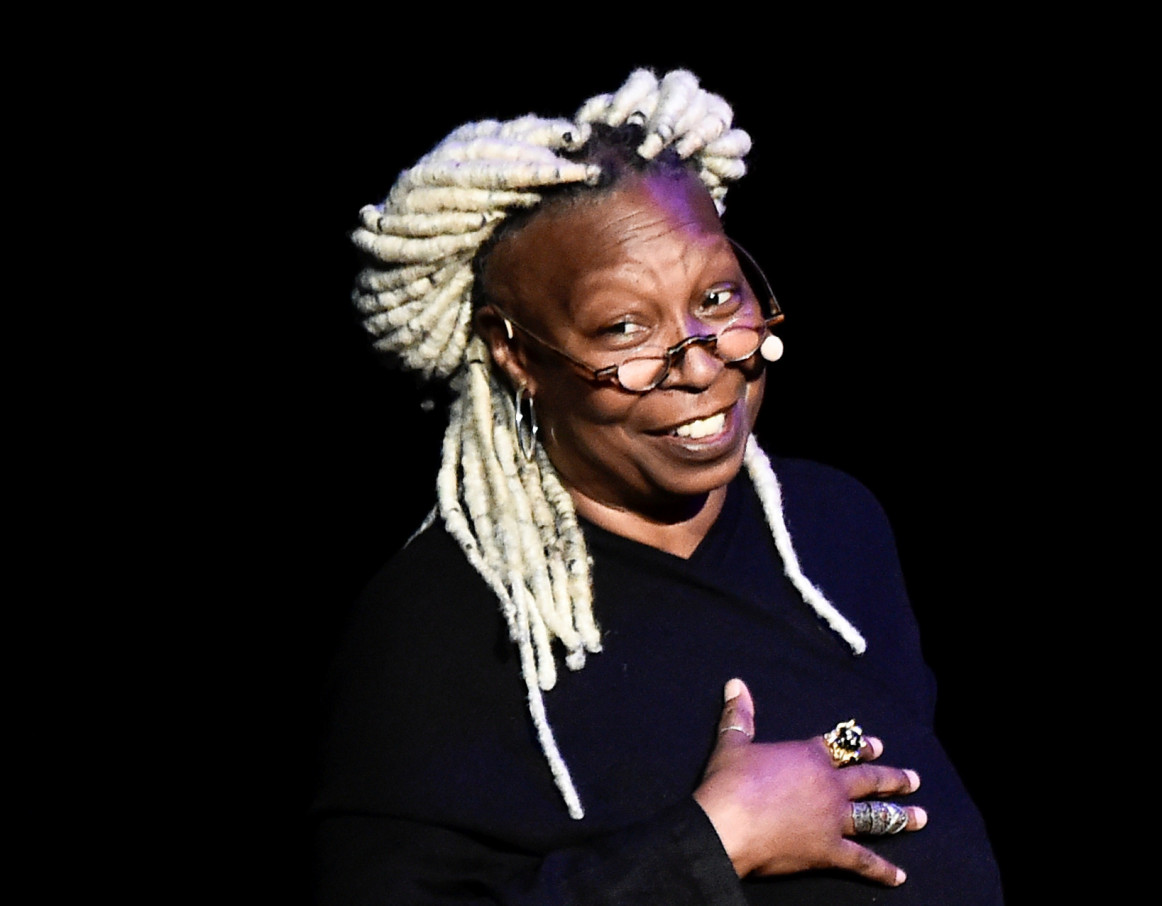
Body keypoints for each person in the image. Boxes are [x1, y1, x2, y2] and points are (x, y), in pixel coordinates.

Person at [313, 68, 1003, 904]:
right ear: (518, 353)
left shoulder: (833, 525)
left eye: (718, 297)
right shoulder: (436, 627)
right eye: (625, 328)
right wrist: (713, 842)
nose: (703, 362)